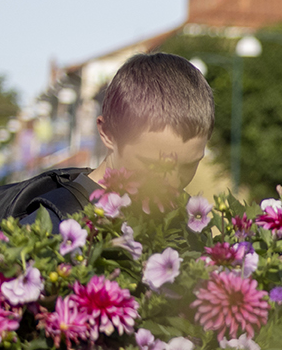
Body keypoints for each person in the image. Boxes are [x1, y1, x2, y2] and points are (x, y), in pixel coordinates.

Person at [19, 53, 215, 225]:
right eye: (155, 165)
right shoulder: (52, 226)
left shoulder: (185, 221)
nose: (171, 183)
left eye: (188, 166)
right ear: (108, 134)